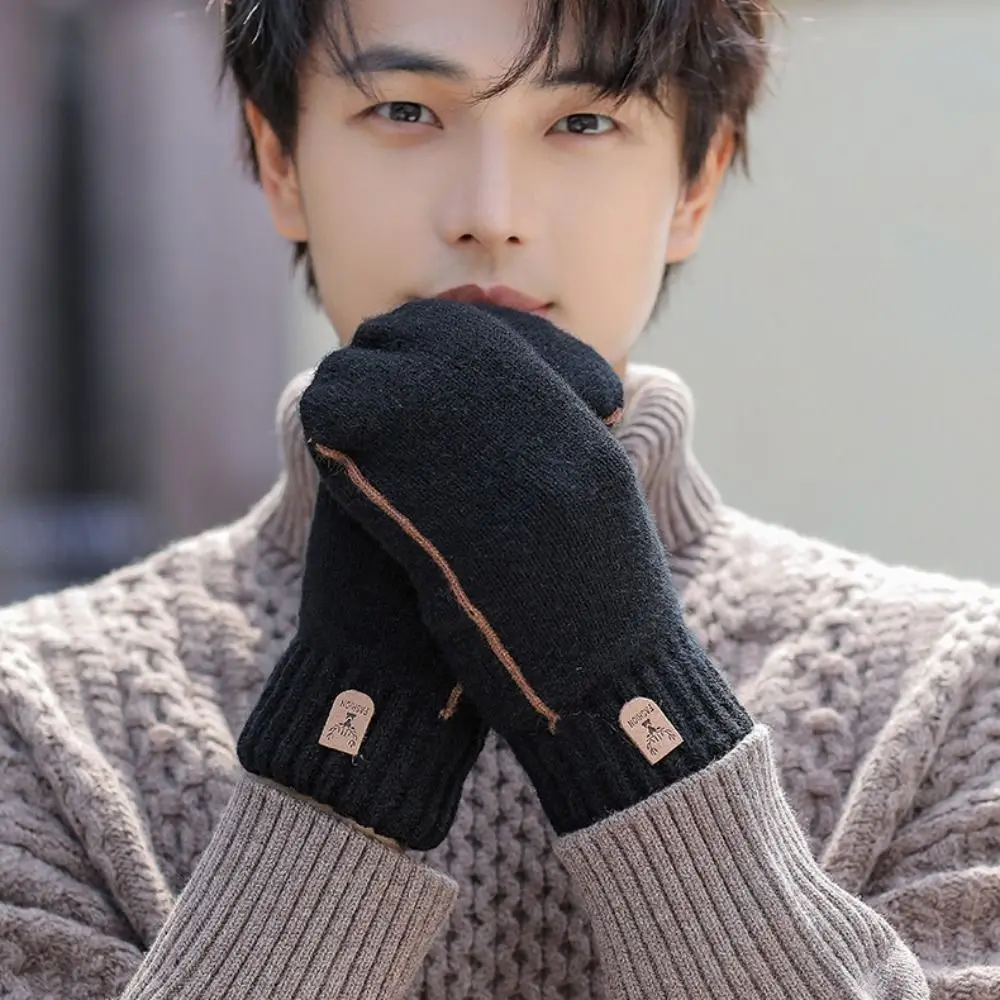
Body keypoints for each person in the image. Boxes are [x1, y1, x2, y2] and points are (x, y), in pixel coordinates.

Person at [1, 0, 998, 996]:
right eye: (403, 111)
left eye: (583, 121)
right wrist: (346, 753)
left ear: (694, 183)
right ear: (280, 162)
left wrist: (638, 704)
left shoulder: (949, 690)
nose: (490, 212)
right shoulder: (41, 715)